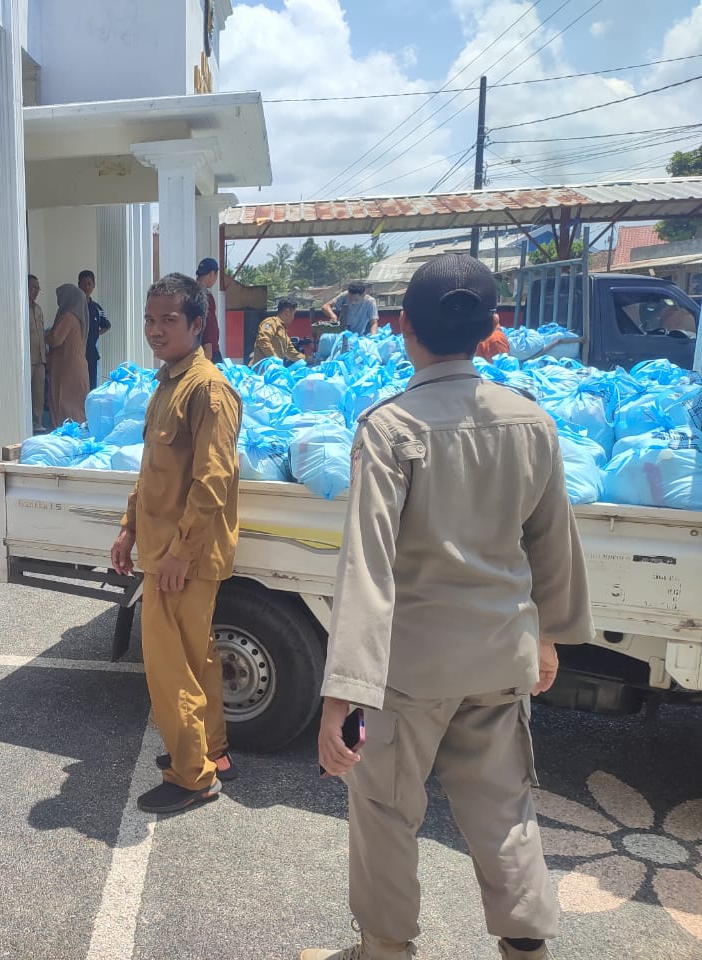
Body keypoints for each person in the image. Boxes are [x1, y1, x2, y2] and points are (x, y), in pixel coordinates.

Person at [303, 254, 594, 960]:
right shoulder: (530, 421)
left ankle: (385, 949)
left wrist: (342, 693)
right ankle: (526, 948)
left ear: (403, 326)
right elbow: (552, 542)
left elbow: (368, 567)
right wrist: (548, 638)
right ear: (492, 327)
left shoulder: (389, 427)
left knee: (384, 810)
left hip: (407, 672)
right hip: (500, 658)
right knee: (504, 809)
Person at [110, 272, 241, 815]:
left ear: (197, 324)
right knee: (195, 658)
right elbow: (153, 471)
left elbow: (213, 481)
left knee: (170, 669)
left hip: (183, 558)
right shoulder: (167, 383)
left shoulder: (207, 389)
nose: (155, 330)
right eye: (149, 319)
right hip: (163, 550)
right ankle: (214, 752)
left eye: (168, 320)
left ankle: (192, 776)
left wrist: (179, 554)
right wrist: (128, 527)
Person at [46, 283, 90, 425]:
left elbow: (55, 339)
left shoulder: (68, 317)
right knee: (77, 404)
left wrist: (45, 334)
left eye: (60, 298)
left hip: (67, 368)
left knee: (64, 403)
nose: (59, 302)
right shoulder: (79, 319)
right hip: (77, 367)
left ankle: (67, 435)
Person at [78, 269, 111, 388]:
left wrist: (95, 334)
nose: (86, 287)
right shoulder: (73, 306)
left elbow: (107, 325)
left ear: (93, 285)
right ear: (79, 285)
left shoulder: (97, 308)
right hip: (76, 353)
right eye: (83, 284)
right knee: (78, 385)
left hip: (91, 354)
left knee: (91, 385)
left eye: (89, 284)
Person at [250, 298, 304, 365]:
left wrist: (305, 359)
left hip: (273, 368)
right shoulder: (271, 322)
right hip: (262, 368)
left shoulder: (283, 331)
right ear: (287, 312)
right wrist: (274, 357)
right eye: (293, 314)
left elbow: (291, 353)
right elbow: (263, 341)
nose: (293, 318)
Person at [28, 274, 47, 432]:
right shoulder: (22, 308)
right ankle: (26, 421)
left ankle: (37, 422)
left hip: (40, 357)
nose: (36, 291)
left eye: (37, 288)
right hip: (28, 358)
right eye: (33, 287)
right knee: (26, 392)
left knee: (39, 392)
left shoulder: (38, 309)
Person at [195, 257, 223, 362]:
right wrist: (208, 348)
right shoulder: (204, 296)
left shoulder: (189, 292)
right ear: (212, 274)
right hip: (208, 351)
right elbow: (208, 322)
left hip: (194, 349)